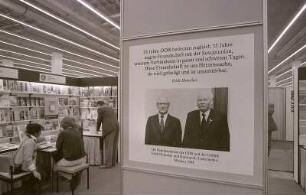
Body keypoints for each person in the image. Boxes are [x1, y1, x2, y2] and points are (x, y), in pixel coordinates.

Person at [55, 116, 86, 189]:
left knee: (54, 165)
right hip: (81, 159)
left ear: (63, 124)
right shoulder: (77, 131)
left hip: (70, 160)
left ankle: (69, 176)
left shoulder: (63, 133)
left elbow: (57, 147)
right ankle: (73, 175)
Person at [13, 123, 43, 194]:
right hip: (23, 167)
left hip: (18, 164)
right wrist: (34, 171)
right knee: (42, 172)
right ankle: (30, 190)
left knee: (39, 169)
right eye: (40, 131)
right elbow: (27, 159)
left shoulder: (26, 138)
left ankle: (30, 188)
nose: (41, 133)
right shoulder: (30, 142)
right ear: (36, 132)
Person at [96, 100, 119, 168]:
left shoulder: (100, 109)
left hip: (109, 128)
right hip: (116, 126)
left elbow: (99, 120)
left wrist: (97, 129)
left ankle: (107, 164)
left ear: (99, 105)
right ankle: (113, 162)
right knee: (114, 145)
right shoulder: (110, 108)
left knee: (108, 146)